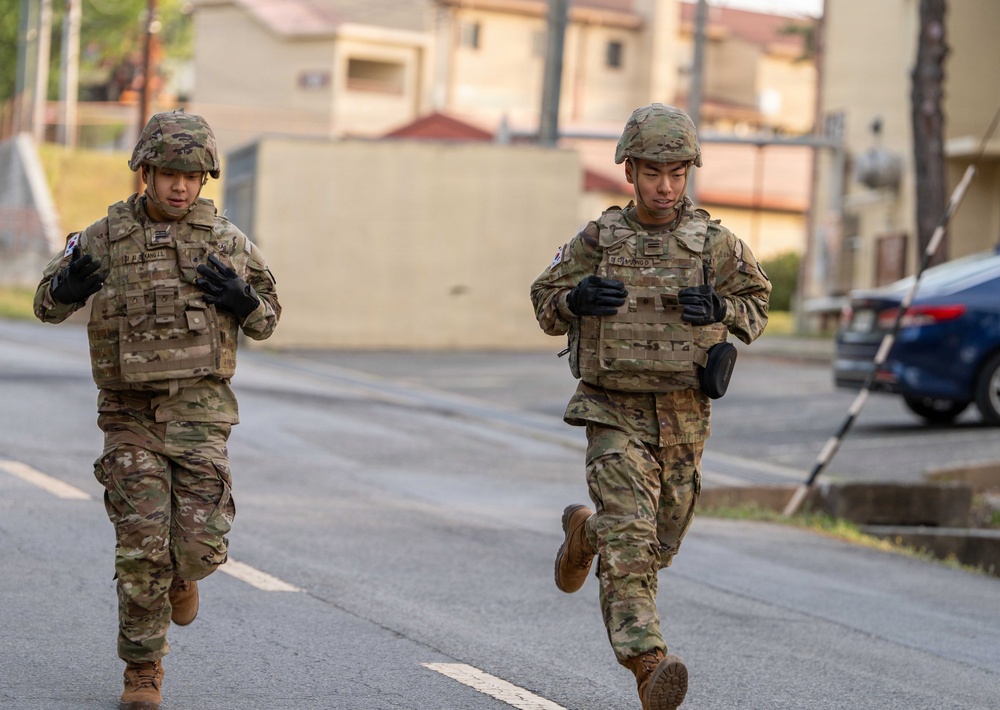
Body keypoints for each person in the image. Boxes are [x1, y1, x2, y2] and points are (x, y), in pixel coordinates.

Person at [33, 109, 280, 710]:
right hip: (130, 415)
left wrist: (245, 301)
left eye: (192, 176)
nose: (179, 186)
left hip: (200, 416)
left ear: (204, 181)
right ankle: (142, 674)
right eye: (168, 172)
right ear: (145, 171)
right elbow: (44, 303)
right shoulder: (104, 237)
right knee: (141, 546)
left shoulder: (226, 242)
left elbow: (269, 318)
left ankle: (184, 576)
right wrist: (65, 290)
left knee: (196, 550)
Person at [530, 104, 770, 710]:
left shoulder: (716, 245)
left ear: (690, 173)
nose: (666, 185)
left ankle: (585, 534)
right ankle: (648, 666)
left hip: (685, 418)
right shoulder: (598, 240)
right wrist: (577, 298)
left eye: (678, 172)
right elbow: (544, 299)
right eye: (654, 171)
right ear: (629, 170)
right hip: (611, 410)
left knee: (659, 546)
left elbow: (758, 308)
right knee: (633, 547)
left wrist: (723, 311)